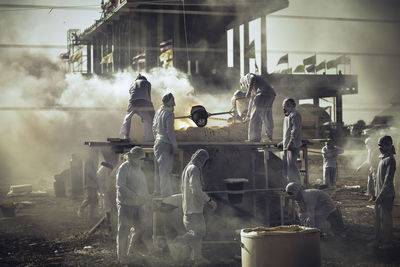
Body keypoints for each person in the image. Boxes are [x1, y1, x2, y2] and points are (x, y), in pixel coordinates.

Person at [177, 149, 217, 264]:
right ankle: (177, 242)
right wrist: (209, 200)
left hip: (190, 207)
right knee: (198, 232)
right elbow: (196, 190)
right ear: (202, 160)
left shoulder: (188, 168)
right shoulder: (194, 169)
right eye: (205, 161)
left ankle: (197, 258)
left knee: (197, 235)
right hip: (193, 208)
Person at [116, 146, 153, 264]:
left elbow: (143, 189)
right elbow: (120, 186)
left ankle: (131, 251)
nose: (142, 162)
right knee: (123, 230)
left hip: (136, 205)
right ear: (135, 158)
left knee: (139, 227)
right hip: (125, 204)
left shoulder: (138, 170)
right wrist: (134, 196)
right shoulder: (124, 167)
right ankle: (121, 256)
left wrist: (150, 199)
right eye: (141, 159)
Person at [152, 93, 178, 197]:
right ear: (169, 101)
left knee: (157, 170)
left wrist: (156, 139)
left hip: (157, 143)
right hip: (166, 143)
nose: (174, 101)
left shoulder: (158, 112)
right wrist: (174, 145)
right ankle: (166, 194)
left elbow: (153, 127)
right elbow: (170, 131)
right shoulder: (169, 114)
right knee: (165, 170)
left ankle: (157, 191)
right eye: (172, 99)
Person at [374, 135, 396, 249]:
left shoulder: (390, 160)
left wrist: (381, 195)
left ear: (388, 146)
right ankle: (379, 240)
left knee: (385, 220)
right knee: (378, 219)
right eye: (379, 145)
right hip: (380, 194)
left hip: (386, 196)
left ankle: (388, 243)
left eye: (381, 145)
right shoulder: (382, 158)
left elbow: (387, 181)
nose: (379, 148)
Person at [240, 73, 276, 142]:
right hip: (271, 94)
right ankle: (268, 136)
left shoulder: (248, 77)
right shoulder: (255, 87)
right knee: (267, 115)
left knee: (255, 117)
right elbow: (251, 101)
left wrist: (249, 91)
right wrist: (248, 115)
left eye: (245, 86)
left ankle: (254, 138)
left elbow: (252, 78)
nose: (246, 87)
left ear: (243, 82)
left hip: (262, 94)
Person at [120, 74, 155, 141]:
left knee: (127, 118)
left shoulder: (132, 83)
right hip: (145, 101)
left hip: (132, 101)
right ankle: (149, 138)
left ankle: (126, 136)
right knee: (149, 119)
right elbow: (148, 95)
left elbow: (131, 93)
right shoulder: (147, 83)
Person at [278, 98, 302, 184]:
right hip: (287, 145)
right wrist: (283, 142)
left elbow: (295, 130)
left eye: (286, 107)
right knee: (286, 166)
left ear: (291, 106)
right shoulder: (287, 117)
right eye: (283, 107)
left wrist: (291, 142)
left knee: (291, 165)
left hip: (293, 145)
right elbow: (287, 132)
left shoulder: (295, 115)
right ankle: (288, 183)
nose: (284, 109)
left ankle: (296, 183)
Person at [78, 149, 99, 223]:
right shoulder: (89, 161)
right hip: (90, 184)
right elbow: (90, 173)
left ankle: (91, 216)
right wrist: (97, 179)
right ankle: (81, 209)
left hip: (93, 184)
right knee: (89, 199)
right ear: (91, 153)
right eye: (95, 153)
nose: (96, 154)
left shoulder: (92, 160)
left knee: (95, 200)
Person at [356, 137, 379, 201]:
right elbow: (368, 160)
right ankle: (373, 196)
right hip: (371, 167)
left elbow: (369, 161)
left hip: (376, 168)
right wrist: (361, 166)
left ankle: (376, 196)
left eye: (367, 143)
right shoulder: (369, 150)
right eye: (366, 143)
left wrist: (361, 166)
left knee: (375, 183)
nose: (366, 145)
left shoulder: (376, 150)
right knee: (370, 182)